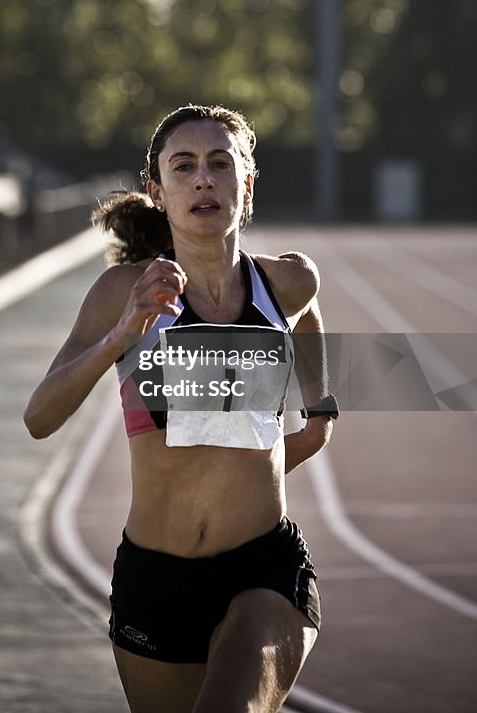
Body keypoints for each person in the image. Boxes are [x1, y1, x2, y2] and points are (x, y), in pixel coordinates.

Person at [24, 104, 338, 713]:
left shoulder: (287, 283)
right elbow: (39, 418)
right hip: (155, 579)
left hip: (263, 571)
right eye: (184, 166)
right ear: (158, 191)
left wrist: (320, 414)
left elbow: (308, 316)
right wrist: (122, 335)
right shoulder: (123, 292)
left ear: (245, 185)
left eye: (221, 164)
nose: (203, 179)